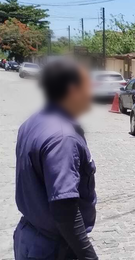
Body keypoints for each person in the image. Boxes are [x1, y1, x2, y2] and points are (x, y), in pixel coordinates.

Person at [14, 59, 98, 260]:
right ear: (72, 90)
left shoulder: (34, 121)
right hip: (53, 248)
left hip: (29, 236)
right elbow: (64, 209)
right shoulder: (63, 138)